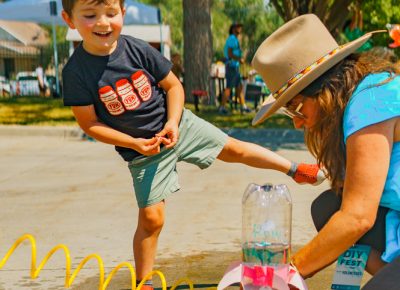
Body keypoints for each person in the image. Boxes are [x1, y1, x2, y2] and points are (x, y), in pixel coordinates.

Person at [61, 2, 324, 289]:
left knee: (234, 148)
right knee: (151, 218)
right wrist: (133, 143)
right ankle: (144, 282)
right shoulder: (75, 72)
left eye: (111, 14)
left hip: (179, 125)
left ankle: (296, 169)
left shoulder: (136, 49)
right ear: (69, 20)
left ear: (122, 14)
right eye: (90, 16)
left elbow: (174, 86)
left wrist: (173, 122)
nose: (103, 23)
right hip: (141, 149)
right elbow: (89, 124)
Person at [252, 14, 400, 289]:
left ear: (324, 89)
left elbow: (358, 218)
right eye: (288, 112)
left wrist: (287, 273)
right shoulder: (365, 93)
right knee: (328, 207)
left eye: (296, 106)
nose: (296, 122)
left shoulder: (369, 101)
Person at [219, 22, 251, 114]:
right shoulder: (232, 38)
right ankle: (222, 107)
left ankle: (243, 106)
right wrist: (239, 59)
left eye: (240, 27)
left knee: (239, 87)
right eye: (238, 27)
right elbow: (229, 54)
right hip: (231, 66)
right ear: (233, 29)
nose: (240, 29)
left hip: (234, 67)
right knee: (229, 87)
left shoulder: (234, 39)